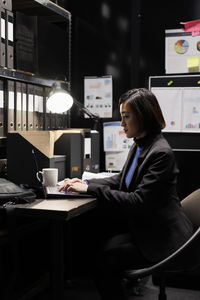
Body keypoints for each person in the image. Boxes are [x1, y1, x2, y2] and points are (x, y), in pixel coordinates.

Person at [59, 88, 193, 300]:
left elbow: (137, 200)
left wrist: (91, 189)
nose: (122, 123)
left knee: (103, 261)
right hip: (150, 229)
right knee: (102, 247)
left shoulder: (160, 153)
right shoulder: (141, 143)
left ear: (143, 116)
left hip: (163, 238)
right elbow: (122, 179)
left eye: (126, 117)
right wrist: (85, 182)